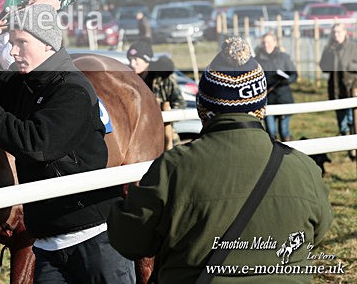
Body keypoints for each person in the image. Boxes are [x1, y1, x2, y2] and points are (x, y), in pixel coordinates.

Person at [0, 3, 135, 283]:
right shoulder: (30, 83)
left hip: (94, 241)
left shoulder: (73, 90)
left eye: (21, 43)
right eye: (11, 43)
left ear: (47, 43)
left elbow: (36, 144)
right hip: (47, 246)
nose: (13, 51)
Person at [108, 37, 333, 283]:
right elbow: (318, 232)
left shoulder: (172, 168)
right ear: (260, 109)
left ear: (203, 109)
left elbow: (130, 241)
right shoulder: (304, 168)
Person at [126, 40, 185, 150]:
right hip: (137, 137)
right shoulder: (127, 80)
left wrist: (166, 117)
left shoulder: (163, 79)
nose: (132, 64)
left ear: (146, 60)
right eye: (130, 59)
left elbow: (180, 103)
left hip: (164, 135)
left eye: (136, 59)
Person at [319, 23, 357, 156]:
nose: (336, 35)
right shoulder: (329, 49)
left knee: (352, 119)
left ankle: (353, 148)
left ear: (345, 32)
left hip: (352, 87)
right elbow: (323, 66)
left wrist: (348, 66)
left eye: (339, 32)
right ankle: (348, 145)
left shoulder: (353, 47)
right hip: (336, 89)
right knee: (342, 123)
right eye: (334, 32)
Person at [255, 31, 298, 142]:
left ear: (275, 42)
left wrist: (286, 80)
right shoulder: (257, 60)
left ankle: (288, 150)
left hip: (283, 97)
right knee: (271, 132)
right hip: (267, 99)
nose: (266, 45)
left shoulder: (284, 57)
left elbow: (294, 74)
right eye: (264, 42)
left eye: (269, 42)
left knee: (284, 131)